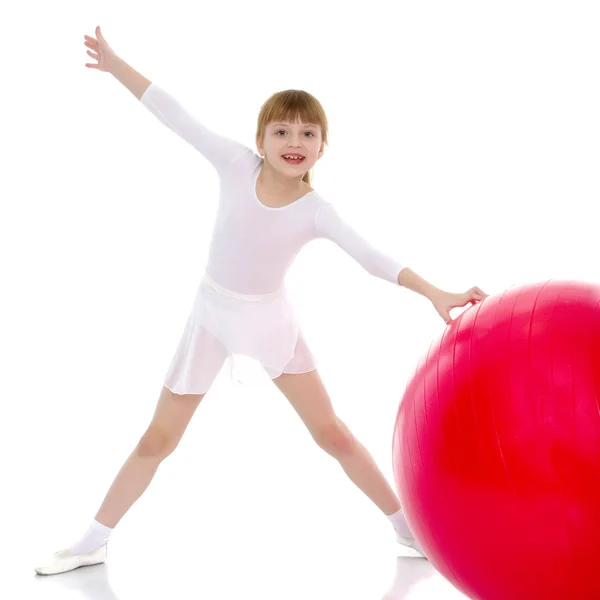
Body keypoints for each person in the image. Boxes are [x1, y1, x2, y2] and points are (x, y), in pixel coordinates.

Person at [35, 26, 488, 576]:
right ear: (260, 139)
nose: (293, 140)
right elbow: (175, 114)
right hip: (210, 317)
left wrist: (436, 292)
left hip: (271, 322)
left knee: (332, 433)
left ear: (322, 146)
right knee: (158, 438)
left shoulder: (315, 209)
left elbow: (373, 257)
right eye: (281, 130)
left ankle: (406, 530)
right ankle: (92, 541)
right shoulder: (233, 164)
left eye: (307, 132)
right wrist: (116, 64)